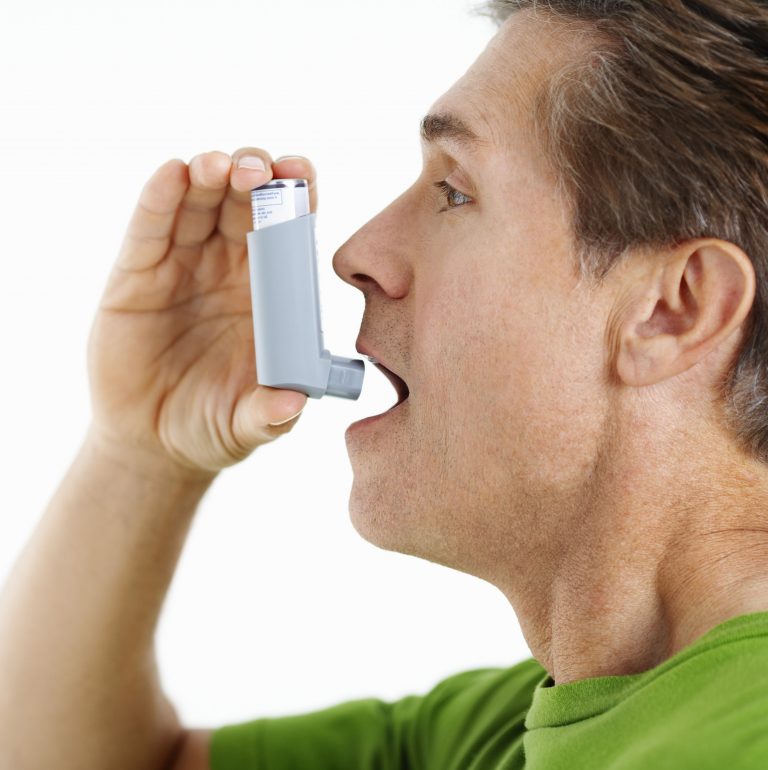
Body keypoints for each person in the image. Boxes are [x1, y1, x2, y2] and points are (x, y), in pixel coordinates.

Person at [2, 0, 768, 767]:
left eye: (456, 191)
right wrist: (140, 452)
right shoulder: (500, 733)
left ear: (674, 310)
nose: (355, 254)